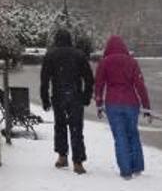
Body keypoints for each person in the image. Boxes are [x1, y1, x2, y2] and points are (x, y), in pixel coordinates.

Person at [94, 34, 152, 180]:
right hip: (131, 103)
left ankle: (126, 171)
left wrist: (99, 104)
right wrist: (146, 106)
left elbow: (99, 85)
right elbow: (140, 85)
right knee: (133, 134)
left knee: (120, 137)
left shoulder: (104, 63)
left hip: (113, 103)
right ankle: (137, 167)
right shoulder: (132, 62)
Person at [40, 27, 94, 174]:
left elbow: (44, 79)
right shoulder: (79, 55)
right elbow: (89, 78)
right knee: (76, 128)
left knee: (60, 126)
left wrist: (45, 99)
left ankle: (62, 155)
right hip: (75, 95)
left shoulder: (51, 55)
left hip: (58, 95)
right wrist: (86, 96)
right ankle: (78, 161)